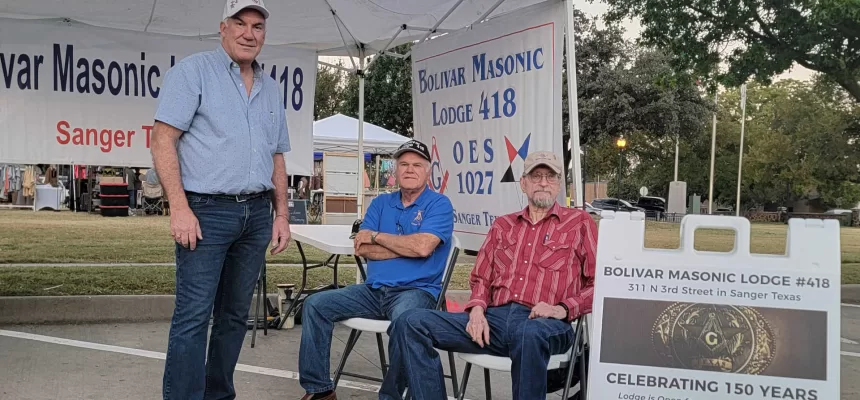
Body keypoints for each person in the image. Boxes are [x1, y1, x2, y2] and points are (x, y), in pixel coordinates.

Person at [150, 1, 292, 399]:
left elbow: (277, 154)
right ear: (223, 28)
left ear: (265, 33)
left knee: (233, 317)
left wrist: (282, 214)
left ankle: (218, 395)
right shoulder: (193, 72)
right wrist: (178, 207)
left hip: (257, 214)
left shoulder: (271, 87)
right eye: (241, 24)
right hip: (205, 212)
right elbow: (162, 138)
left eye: (258, 26)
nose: (250, 33)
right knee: (193, 318)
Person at [380, 151, 597, 400]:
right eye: (536, 176)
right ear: (523, 183)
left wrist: (562, 308)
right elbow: (481, 278)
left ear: (559, 184)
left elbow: (598, 284)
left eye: (551, 176)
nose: (544, 183)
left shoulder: (579, 222)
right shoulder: (503, 225)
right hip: (493, 321)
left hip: (544, 324)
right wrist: (477, 310)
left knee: (529, 334)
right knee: (410, 322)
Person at [297, 139, 454, 400]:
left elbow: (424, 247)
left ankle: (391, 396)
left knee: (405, 323)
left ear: (428, 171)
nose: (409, 169)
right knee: (315, 304)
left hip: (416, 291)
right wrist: (406, 245)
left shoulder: (439, 204)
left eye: (417, 164)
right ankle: (320, 390)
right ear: (396, 169)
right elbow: (362, 247)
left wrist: (379, 236)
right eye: (403, 164)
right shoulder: (381, 203)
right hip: (374, 290)